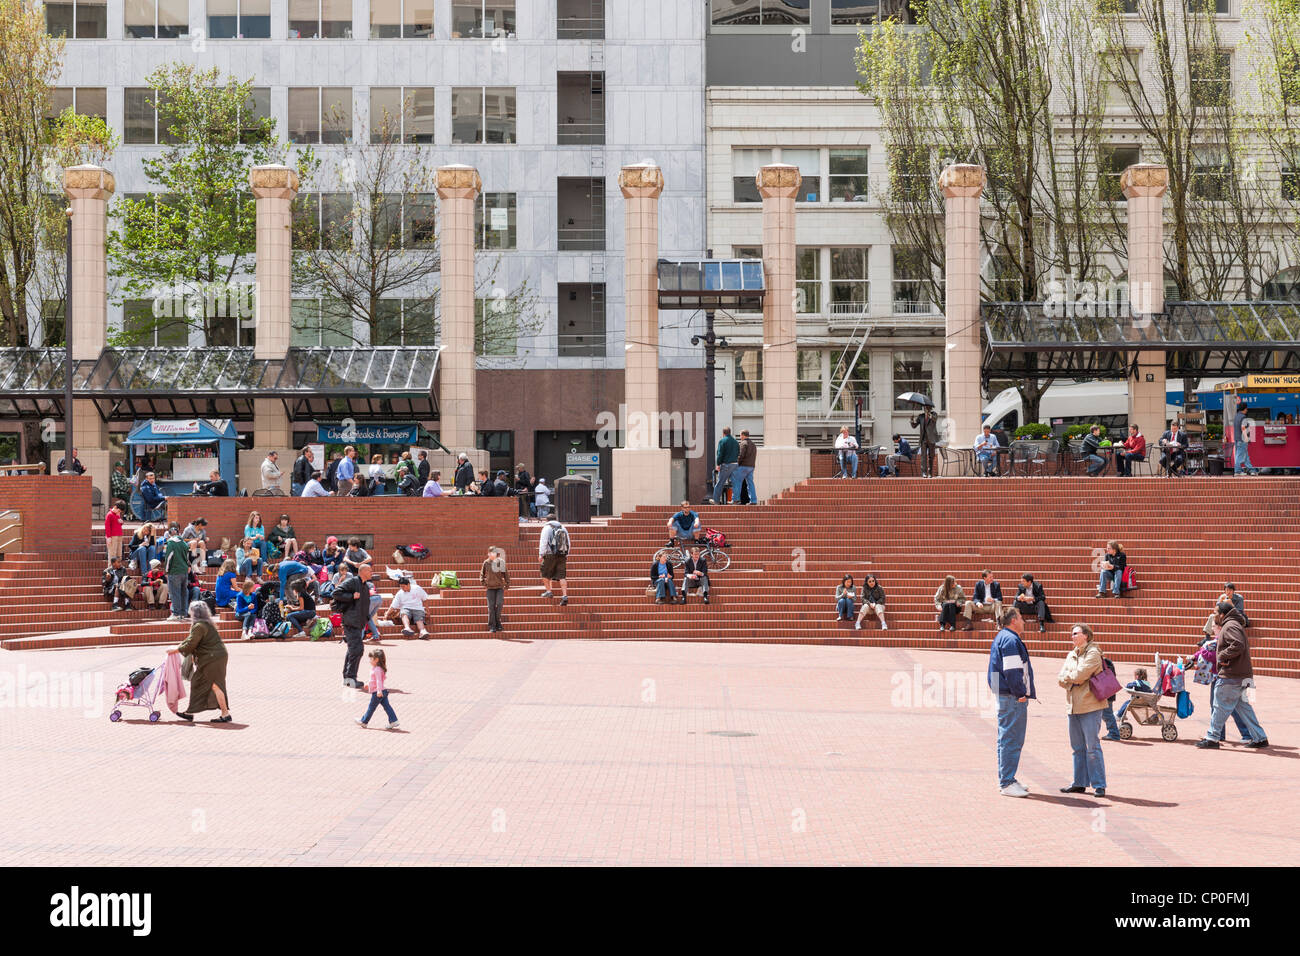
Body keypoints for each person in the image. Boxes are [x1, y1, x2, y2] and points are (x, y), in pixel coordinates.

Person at [1197, 600, 1269, 749]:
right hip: (1241, 674)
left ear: (1222, 614)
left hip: (1232, 675)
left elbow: (1237, 644)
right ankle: (1260, 737)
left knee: (1219, 704)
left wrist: (1222, 656)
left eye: (1216, 612)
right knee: (1243, 707)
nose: (1214, 615)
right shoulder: (1234, 624)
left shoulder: (1230, 625)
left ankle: (1212, 737)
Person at [988, 607, 1036, 797]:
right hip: (1011, 696)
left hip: (1005, 694)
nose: (1024, 622)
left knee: (1006, 739)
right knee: (1011, 740)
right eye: (1022, 618)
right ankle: (1007, 782)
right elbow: (1012, 670)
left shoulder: (1003, 637)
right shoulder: (1010, 639)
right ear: (1014, 620)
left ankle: (1008, 778)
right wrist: (1020, 693)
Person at [1055, 624, 1108, 795]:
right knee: (1077, 747)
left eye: (1075, 633)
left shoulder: (1093, 652)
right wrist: (1072, 677)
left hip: (1090, 705)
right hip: (1073, 706)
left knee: (1092, 747)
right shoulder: (1071, 654)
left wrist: (1071, 677)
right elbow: (1060, 679)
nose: (1072, 636)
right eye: (1071, 634)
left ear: (1086, 635)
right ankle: (1079, 782)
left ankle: (1099, 784)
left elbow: (1080, 675)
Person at [172, 601, 231, 723]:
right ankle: (190, 712)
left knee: (215, 684)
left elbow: (191, 643)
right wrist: (180, 647)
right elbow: (191, 640)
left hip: (213, 658)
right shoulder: (205, 624)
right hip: (215, 656)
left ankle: (225, 714)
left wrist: (175, 650)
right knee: (201, 682)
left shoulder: (199, 625)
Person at [335, 563, 371, 688]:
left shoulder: (365, 586)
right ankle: (351, 677)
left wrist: (367, 619)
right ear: (362, 572)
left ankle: (348, 678)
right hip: (351, 622)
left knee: (352, 649)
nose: (371, 573)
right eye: (369, 571)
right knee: (357, 649)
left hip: (359, 623)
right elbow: (336, 593)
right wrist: (351, 596)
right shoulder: (353, 582)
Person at [356, 648, 399, 730]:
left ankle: (364, 722)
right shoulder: (378, 668)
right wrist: (368, 685)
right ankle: (394, 720)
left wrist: (379, 691)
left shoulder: (377, 670)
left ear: (376, 660)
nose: (370, 661)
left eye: (371, 659)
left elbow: (379, 681)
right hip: (383, 691)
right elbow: (375, 680)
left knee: (371, 707)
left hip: (378, 692)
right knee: (387, 706)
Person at [539, 517, 570, 606]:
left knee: (544, 573)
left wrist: (541, 554)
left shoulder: (546, 528)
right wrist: (566, 554)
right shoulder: (563, 528)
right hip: (562, 554)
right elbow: (568, 542)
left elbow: (543, 542)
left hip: (550, 554)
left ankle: (549, 591)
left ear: (547, 520)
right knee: (562, 576)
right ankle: (564, 596)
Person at [163, 524, 191, 621]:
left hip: (174, 571)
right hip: (184, 571)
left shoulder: (171, 543)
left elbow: (169, 557)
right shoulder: (184, 543)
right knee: (183, 592)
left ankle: (176, 614)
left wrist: (166, 571)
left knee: (175, 593)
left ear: (170, 534)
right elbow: (187, 558)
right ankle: (183, 613)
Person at [481, 546, 511, 632]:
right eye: (490, 553)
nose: (492, 554)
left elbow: (505, 574)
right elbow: (481, 574)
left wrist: (507, 583)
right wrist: (484, 583)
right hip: (490, 588)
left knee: (499, 604)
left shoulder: (501, 562)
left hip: (499, 587)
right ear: (488, 554)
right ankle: (492, 626)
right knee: (491, 607)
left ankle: (498, 622)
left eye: (494, 552)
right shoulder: (486, 563)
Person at [910, 406, 939, 477]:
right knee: (923, 456)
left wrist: (929, 415)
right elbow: (914, 426)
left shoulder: (934, 414)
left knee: (931, 456)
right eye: (925, 408)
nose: (926, 409)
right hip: (923, 439)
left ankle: (930, 472)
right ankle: (924, 472)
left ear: (931, 408)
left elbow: (934, 420)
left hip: (932, 439)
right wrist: (912, 420)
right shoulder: (921, 416)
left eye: (928, 408)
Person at [714, 426, 740, 502]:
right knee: (735, 483)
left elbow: (720, 454)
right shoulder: (735, 442)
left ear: (723, 433)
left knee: (720, 483)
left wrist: (718, 464)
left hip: (726, 465)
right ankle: (736, 500)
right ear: (730, 432)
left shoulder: (722, 441)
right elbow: (738, 453)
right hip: (735, 464)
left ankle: (716, 500)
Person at [1232, 405, 1259, 476]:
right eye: (1246, 409)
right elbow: (1243, 427)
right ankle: (1237, 471)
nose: (1247, 410)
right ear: (1244, 409)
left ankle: (1251, 470)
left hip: (1237, 439)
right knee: (1239, 455)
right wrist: (1246, 437)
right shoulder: (1243, 417)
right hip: (1242, 439)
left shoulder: (1236, 416)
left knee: (1245, 456)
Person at [733, 429, 758, 504]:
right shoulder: (753, 444)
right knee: (750, 484)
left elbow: (741, 455)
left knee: (737, 482)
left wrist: (737, 463)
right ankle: (753, 500)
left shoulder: (743, 443)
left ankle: (736, 500)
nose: (740, 437)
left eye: (740, 435)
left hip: (743, 466)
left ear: (743, 435)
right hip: (751, 467)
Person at [104, 498, 126, 565]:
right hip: (113, 536)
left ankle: (118, 569)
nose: (119, 512)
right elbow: (107, 526)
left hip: (119, 535)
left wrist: (121, 522)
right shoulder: (109, 514)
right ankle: (110, 571)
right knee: (112, 554)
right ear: (115, 507)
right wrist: (108, 537)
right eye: (118, 511)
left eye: (120, 512)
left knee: (119, 554)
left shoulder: (117, 515)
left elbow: (118, 523)